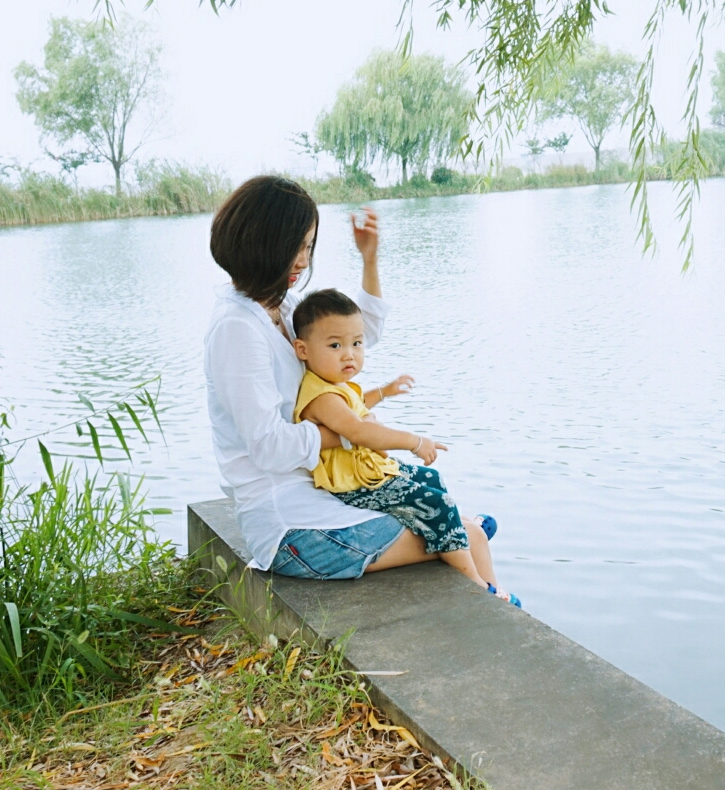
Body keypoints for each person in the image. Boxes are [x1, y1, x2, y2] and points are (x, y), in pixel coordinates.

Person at [204, 175, 504, 592]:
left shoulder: (279, 307)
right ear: (263, 243)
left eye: (308, 246)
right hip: (292, 527)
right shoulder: (238, 328)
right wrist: (349, 433)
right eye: (296, 246)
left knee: (455, 522)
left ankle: (499, 601)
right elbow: (269, 447)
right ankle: (500, 604)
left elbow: (356, 340)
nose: (303, 261)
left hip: (327, 494)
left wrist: (369, 260)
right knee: (465, 534)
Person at [289, 288, 514, 600]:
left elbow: (354, 405)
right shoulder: (321, 395)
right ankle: (477, 583)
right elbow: (357, 430)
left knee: (429, 480)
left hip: (368, 471)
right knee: (435, 503)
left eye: (357, 343)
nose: (349, 354)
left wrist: (384, 391)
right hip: (354, 484)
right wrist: (414, 441)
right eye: (335, 345)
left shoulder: (332, 385)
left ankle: (451, 531)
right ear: (302, 349)